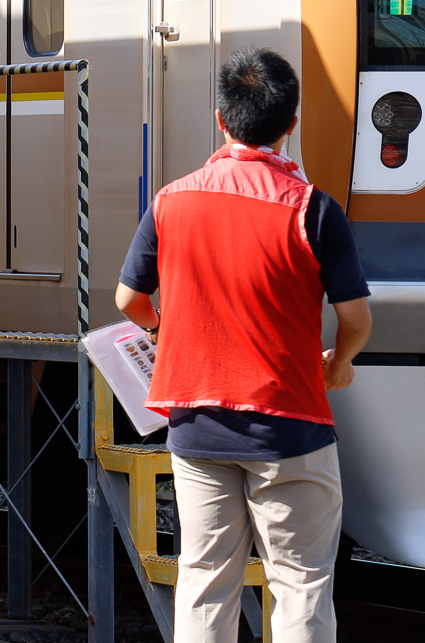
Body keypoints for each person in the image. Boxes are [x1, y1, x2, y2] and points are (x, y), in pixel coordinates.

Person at [116, 48, 372, 643]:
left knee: (204, 580)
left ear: (220, 118)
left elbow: (129, 300)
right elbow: (355, 320)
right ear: (291, 124)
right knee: (300, 584)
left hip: (198, 426)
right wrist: (340, 364)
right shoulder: (314, 210)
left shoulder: (171, 201)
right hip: (290, 425)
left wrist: (167, 329)